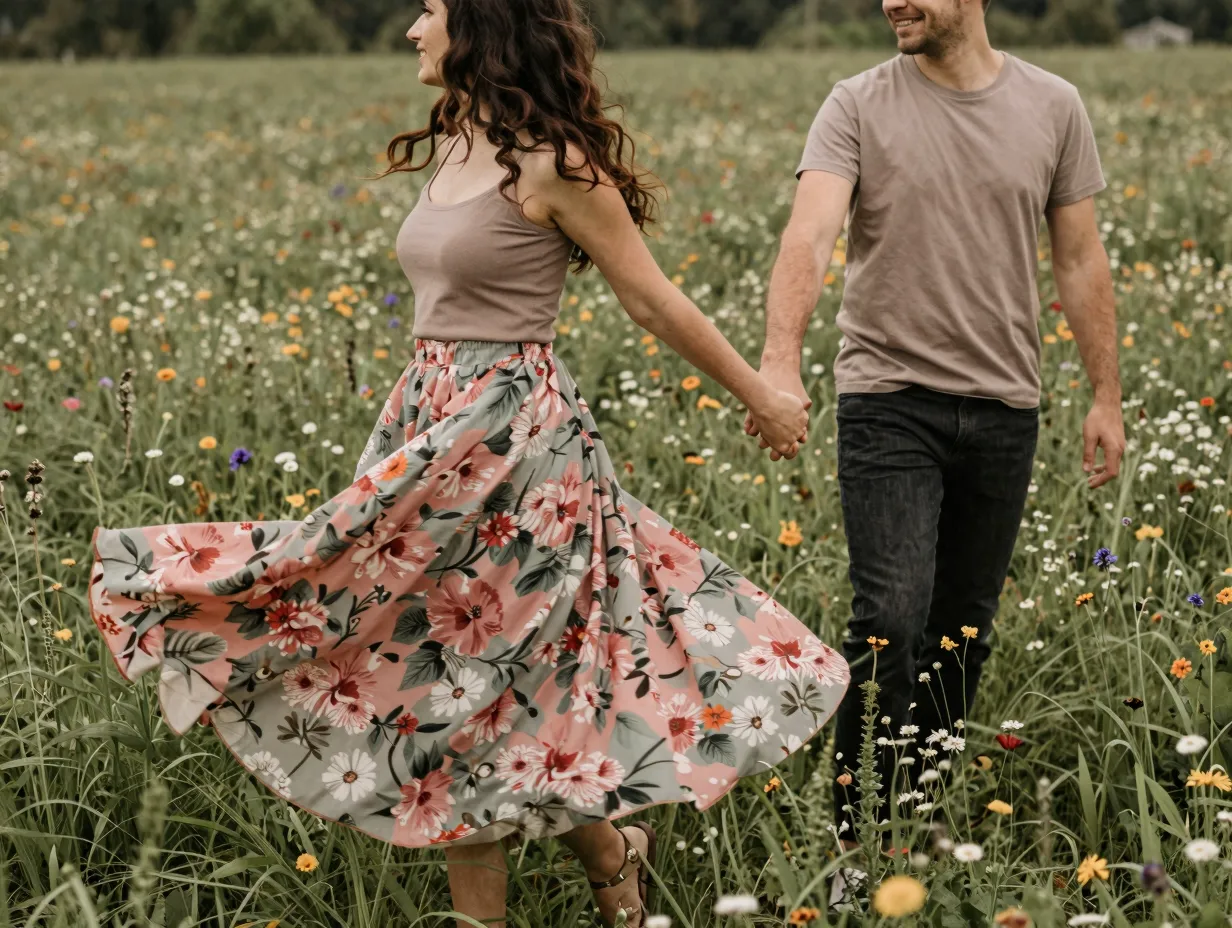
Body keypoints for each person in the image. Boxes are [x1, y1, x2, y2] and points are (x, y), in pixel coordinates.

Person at [87, 2, 852, 927]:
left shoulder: (557, 167)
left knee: (467, 683)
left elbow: (654, 302)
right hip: (427, 436)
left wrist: (760, 393)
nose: (413, 28)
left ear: (482, 23)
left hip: (518, 456)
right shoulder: (456, 140)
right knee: (459, 670)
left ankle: (531, 900)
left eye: (431, 10)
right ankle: (613, 859)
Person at [744, 0, 1125, 906]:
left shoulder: (1054, 105)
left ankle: (916, 820)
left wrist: (1105, 392)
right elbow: (810, 233)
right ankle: (847, 855)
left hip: (1006, 408)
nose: (891, 1)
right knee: (890, 619)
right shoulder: (856, 103)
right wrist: (779, 361)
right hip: (888, 404)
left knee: (963, 628)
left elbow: (1079, 259)